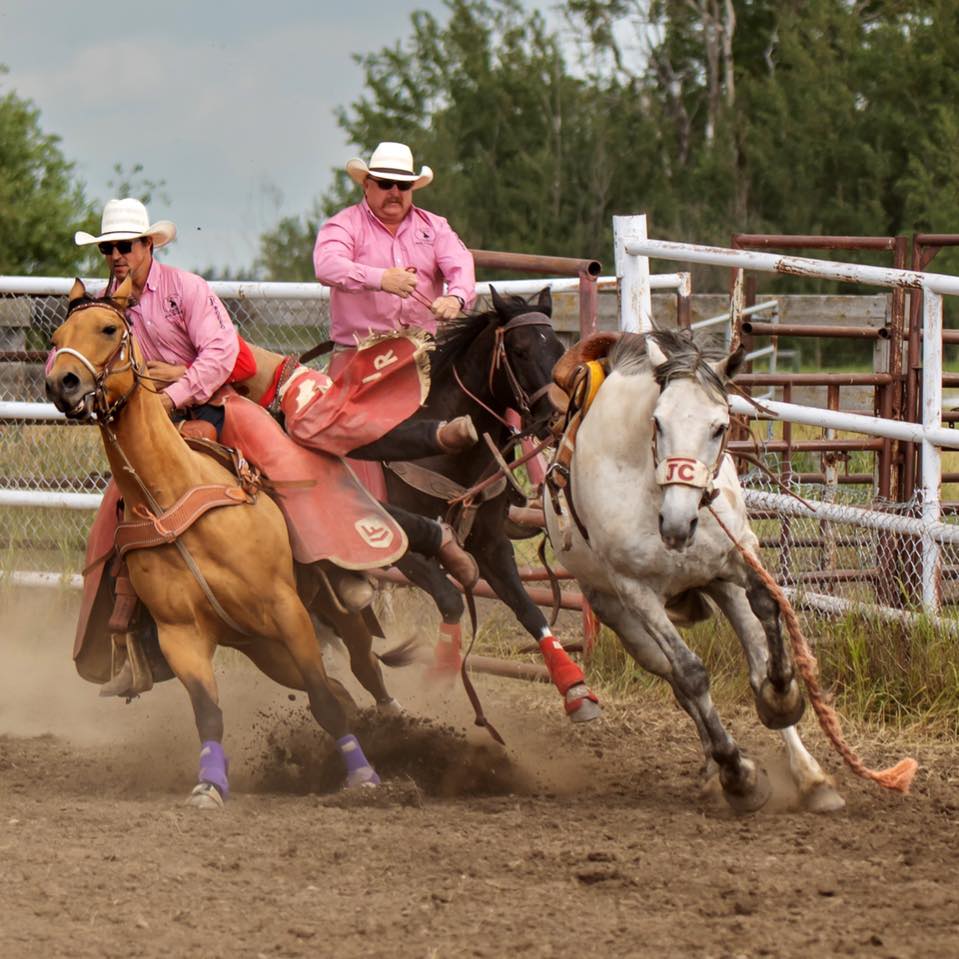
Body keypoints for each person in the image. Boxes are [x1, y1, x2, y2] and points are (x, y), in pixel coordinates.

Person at [73, 198, 477, 614]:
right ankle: (121, 628)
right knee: (121, 505)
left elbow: (220, 354)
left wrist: (173, 388)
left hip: (243, 394)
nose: (117, 256)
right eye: (108, 249)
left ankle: (359, 557)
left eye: (125, 246)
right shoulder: (107, 312)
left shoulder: (185, 288)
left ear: (147, 246)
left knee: (296, 470)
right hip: (179, 414)